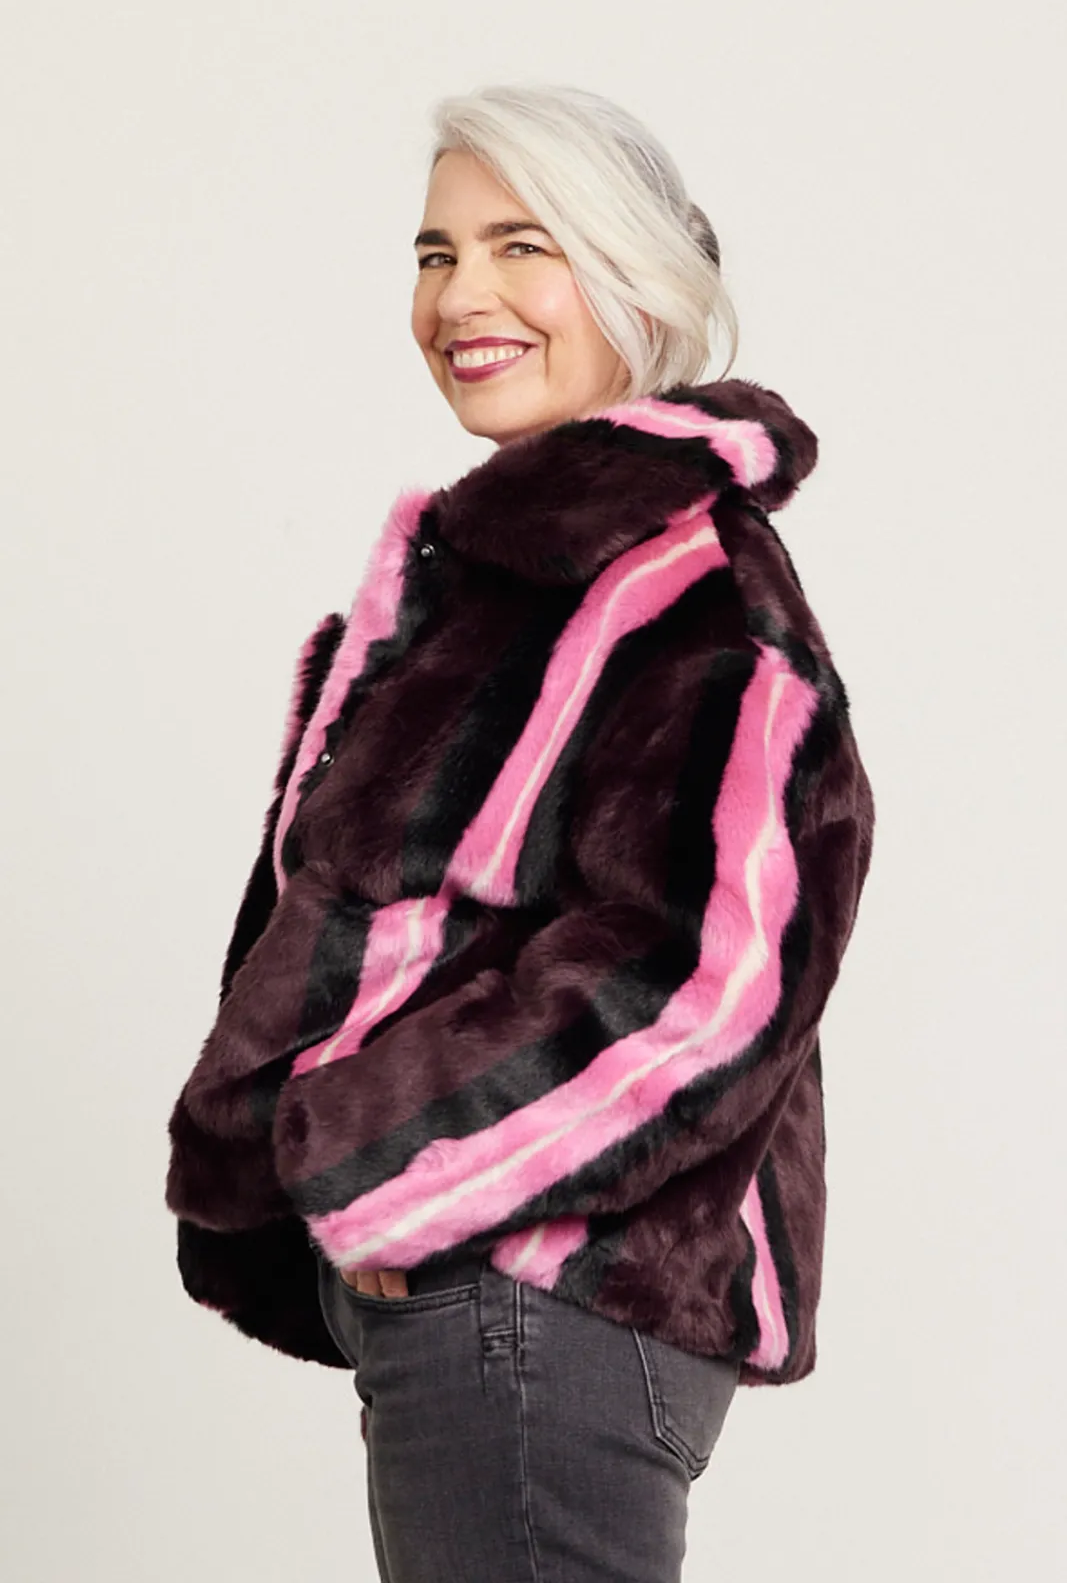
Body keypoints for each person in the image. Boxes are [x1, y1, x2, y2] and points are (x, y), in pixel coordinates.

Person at [165, 83, 875, 1583]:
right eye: (435, 253)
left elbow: (710, 975)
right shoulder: (518, 582)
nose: (460, 297)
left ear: (635, 278)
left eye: (521, 245)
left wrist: (389, 1161)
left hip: (545, 1293)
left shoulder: (687, 592)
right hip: (496, 1292)